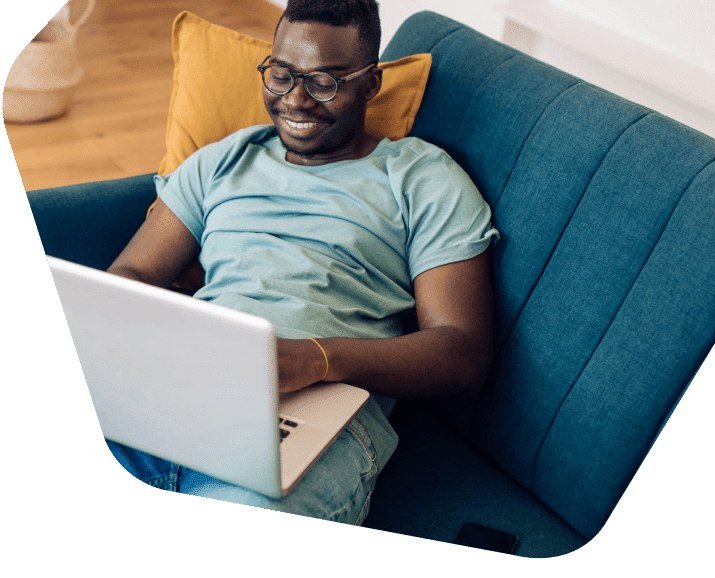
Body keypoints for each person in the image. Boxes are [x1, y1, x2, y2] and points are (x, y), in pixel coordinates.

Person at [105, 0, 499, 526]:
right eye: (282, 75)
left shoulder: (422, 179)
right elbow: (129, 276)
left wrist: (315, 359)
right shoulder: (223, 161)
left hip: (315, 416)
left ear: (371, 84)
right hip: (183, 394)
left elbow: (462, 354)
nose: (295, 100)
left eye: (324, 83)